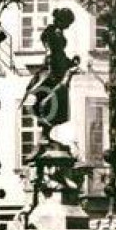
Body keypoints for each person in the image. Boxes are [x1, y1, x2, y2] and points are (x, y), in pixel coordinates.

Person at [23, 8, 80, 144]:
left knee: (60, 96)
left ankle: (47, 131)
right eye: (68, 22)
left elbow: (59, 53)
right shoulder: (52, 31)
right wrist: (52, 64)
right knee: (54, 92)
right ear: (62, 20)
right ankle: (44, 127)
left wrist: (70, 62)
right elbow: (51, 50)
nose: (68, 26)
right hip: (55, 65)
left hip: (59, 63)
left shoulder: (56, 32)